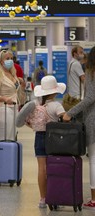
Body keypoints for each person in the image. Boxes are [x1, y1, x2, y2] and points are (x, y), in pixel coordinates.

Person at [18, 75, 66, 208]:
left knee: (41, 168)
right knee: (53, 167)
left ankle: (42, 199)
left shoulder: (37, 106)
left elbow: (26, 121)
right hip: (54, 139)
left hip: (39, 137)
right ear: (55, 91)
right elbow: (66, 118)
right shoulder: (56, 105)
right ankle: (54, 195)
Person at [63, 45, 95, 210]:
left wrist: (71, 112)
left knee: (94, 159)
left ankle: (94, 198)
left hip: (93, 119)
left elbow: (90, 97)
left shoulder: (91, 72)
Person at [0, 49, 25, 141]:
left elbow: (17, 91)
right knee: (5, 137)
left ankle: (11, 154)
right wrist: (4, 99)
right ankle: (2, 154)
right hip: (4, 108)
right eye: (7, 58)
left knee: (12, 136)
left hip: (15, 107)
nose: (10, 60)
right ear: (1, 61)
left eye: (11, 58)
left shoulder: (13, 74)